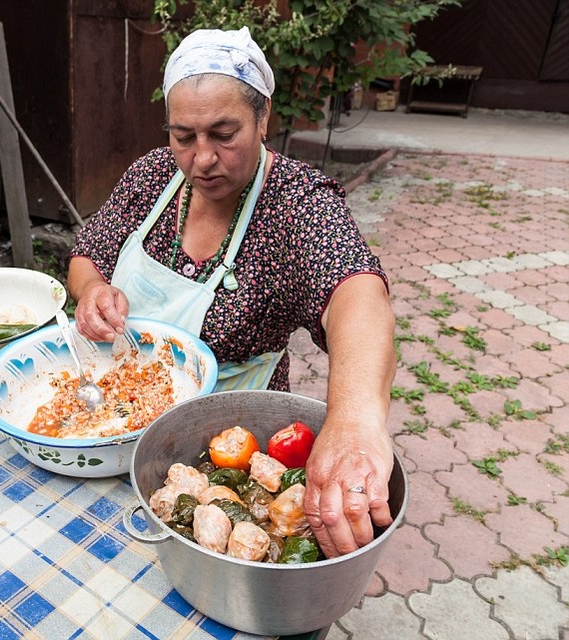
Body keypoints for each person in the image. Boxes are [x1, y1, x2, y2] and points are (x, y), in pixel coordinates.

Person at [66, 27, 396, 558]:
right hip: (110, 416)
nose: (201, 159)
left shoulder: (296, 204)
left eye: (224, 133)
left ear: (263, 118)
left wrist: (355, 421)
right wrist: (91, 291)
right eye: (183, 136)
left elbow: (358, 294)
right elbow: (88, 254)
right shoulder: (150, 176)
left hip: (222, 454)